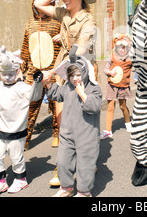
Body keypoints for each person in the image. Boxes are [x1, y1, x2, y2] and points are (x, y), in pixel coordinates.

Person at [42, 45, 102, 197]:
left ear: (85, 72)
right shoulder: (68, 87)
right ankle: (66, 188)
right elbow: (56, 94)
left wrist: (82, 94)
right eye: (71, 75)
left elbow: (94, 107)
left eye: (78, 75)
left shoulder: (93, 88)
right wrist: (48, 82)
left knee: (85, 165)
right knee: (62, 162)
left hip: (86, 136)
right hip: (67, 133)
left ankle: (84, 191)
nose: (75, 79)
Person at [0, 46, 43, 197]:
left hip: (17, 130)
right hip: (0, 129)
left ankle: (20, 179)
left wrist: (38, 83)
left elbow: (35, 96)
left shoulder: (22, 88)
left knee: (16, 157)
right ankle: (0, 181)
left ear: (17, 71)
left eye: (10, 74)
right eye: (3, 74)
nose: (6, 77)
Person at [21, 0, 62, 150]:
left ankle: (57, 135)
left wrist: (63, 36)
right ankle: (25, 139)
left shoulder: (58, 21)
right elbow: (25, 45)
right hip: (33, 70)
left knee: (56, 105)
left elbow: (69, 39)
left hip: (53, 70)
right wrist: (22, 66)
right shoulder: (30, 23)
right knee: (31, 105)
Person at [33, 0, 98, 71]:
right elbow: (38, 4)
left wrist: (53, 72)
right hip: (63, 68)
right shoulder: (64, 14)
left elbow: (79, 52)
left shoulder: (88, 21)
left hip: (80, 71)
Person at [101, 34, 133, 139]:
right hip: (112, 86)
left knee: (122, 105)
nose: (122, 49)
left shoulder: (130, 59)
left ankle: (128, 123)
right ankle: (108, 131)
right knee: (110, 107)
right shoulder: (112, 56)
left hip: (123, 87)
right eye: (119, 47)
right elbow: (105, 69)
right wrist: (110, 72)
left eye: (124, 47)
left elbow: (139, 68)